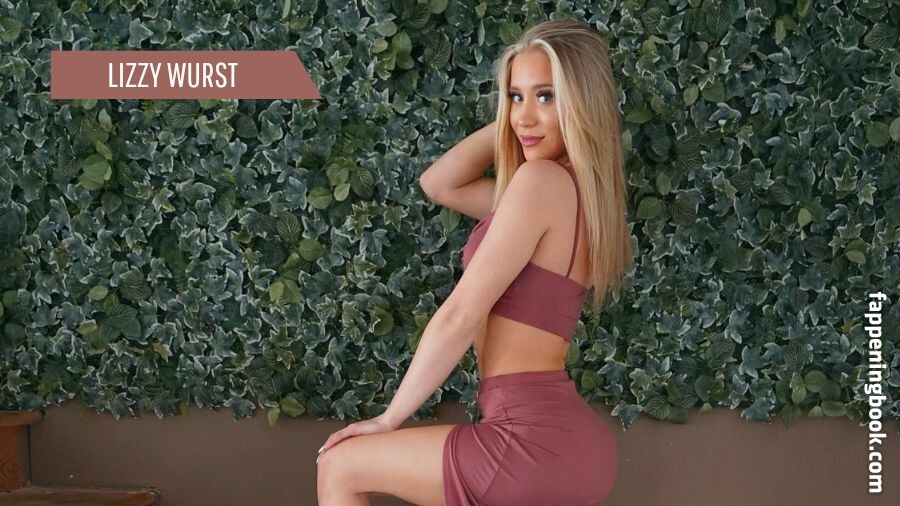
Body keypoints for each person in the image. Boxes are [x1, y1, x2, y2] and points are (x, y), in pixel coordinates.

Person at [316, 18, 633, 505]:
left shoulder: (540, 184)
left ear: (581, 103)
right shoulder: (582, 199)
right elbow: (440, 184)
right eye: (515, 96)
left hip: (527, 439)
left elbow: (460, 316)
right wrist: (516, 120)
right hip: (575, 448)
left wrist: (389, 419)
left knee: (340, 465)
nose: (525, 116)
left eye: (546, 96)